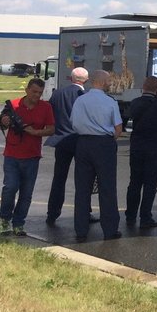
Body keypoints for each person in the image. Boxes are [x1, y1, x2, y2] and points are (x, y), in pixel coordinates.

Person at [70, 69, 123, 242]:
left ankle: (81, 229)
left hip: (83, 143)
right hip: (103, 144)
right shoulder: (110, 102)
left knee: (82, 188)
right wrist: (108, 139)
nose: (110, 84)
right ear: (101, 82)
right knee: (107, 188)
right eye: (108, 81)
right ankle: (110, 229)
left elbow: (74, 123)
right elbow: (118, 129)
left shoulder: (80, 100)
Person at [0, 78, 55, 236]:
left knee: (26, 193)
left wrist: (36, 132)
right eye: (34, 92)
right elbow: (2, 123)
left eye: (40, 93)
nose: (36, 95)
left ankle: (18, 223)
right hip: (12, 155)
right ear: (27, 90)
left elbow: (51, 129)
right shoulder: (13, 105)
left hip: (32, 156)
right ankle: (5, 219)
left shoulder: (46, 107)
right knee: (10, 187)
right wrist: (5, 121)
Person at [124, 76, 157, 229]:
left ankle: (130, 215)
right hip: (154, 147)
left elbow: (128, 117)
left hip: (137, 146)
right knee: (150, 184)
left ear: (143, 87)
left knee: (134, 182)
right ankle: (146, 216)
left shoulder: (135, 102)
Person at [45, 66, 88, 226]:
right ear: (86, 80)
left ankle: (52, 213)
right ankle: (84, 213)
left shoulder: (57, 94)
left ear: (70, 78)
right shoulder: (84, 95)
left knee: (59, 178)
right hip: (79, 140)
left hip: (61, 140)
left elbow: (50, 113)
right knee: (83, 180)